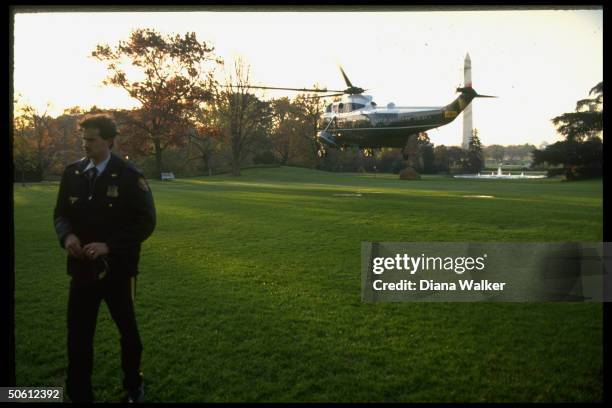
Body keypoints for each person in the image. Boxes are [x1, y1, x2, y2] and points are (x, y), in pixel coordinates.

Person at [53, 115, 156, 403]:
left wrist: (109, 246)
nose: (85, 144)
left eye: (92, 139)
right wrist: (67, 237)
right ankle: (78, 391)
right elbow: (61, 214)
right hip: (82, 270)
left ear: (110, 140)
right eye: (83, 139)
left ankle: (134, 385)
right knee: (78, 334)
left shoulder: (128, 175)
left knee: (128, 332)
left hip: (118, 271)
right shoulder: (73, 173)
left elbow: (146, 222)